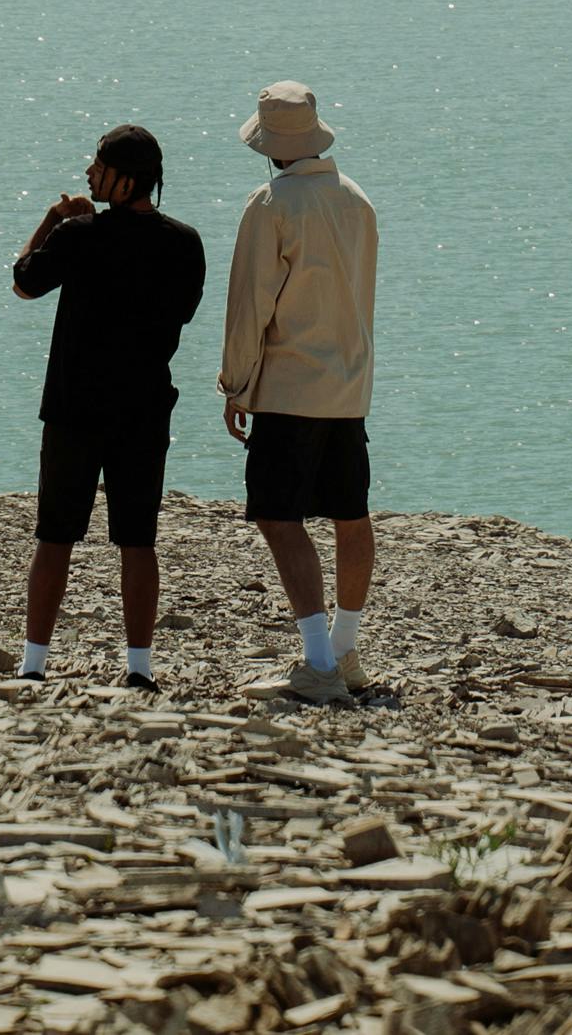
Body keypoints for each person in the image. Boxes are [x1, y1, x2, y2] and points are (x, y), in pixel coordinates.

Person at [10, 122, 208, 686]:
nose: (89, 173)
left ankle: (33, 664)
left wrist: (55, 220)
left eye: (97, 165)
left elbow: (24, 282)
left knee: (54, 536)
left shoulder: (79, 235)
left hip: (75, 408)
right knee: (138, 538)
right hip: (144, 409)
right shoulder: (184, 242)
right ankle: (140, 667)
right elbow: (183, 313)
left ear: (122, 179)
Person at [218, 79, 378, 700]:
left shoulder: (271, 204)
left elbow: (250, 303)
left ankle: (319, 665)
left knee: (279, 517)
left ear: (268, 146)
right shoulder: (356, 200)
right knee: (350, 514)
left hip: (289, 386)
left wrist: (236, 384)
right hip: (349, 384)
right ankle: (344, 649)